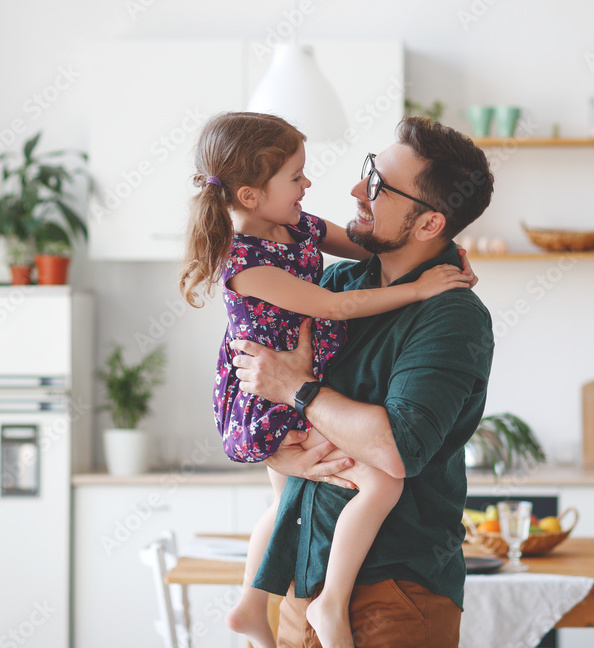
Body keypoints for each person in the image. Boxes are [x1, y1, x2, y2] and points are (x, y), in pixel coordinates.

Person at [178, 112, 474, 648]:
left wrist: (297, 390)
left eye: (380, 185)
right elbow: (254, 373)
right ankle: (259, 605)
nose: (357, 189)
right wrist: (279, 453)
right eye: (369, 169)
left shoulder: (450, 316)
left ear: (430, 223)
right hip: (303, 584)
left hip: (393, 593)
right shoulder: (332, 281)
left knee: (379, 479)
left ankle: (283, 604)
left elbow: (397, 451)